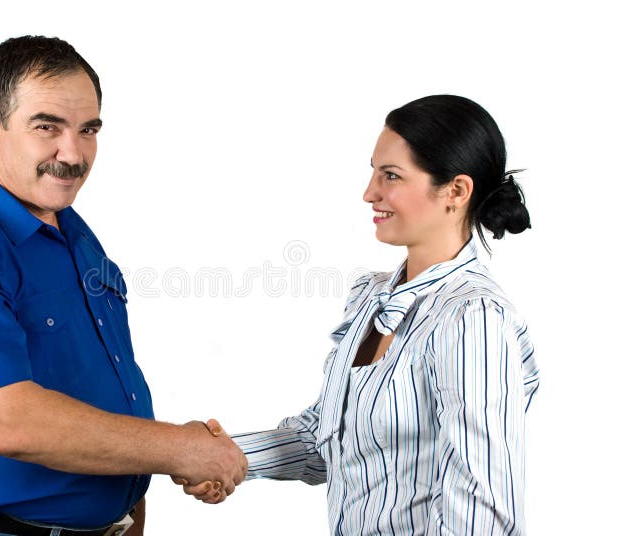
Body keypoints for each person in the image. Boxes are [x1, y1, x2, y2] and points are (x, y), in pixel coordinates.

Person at [0, 35, 247, 536]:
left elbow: (103, 386)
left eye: (88, 129)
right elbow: (11, 422)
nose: (73, 153)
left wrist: (127, 511)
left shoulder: (72, 231)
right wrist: (180, 449)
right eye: (47, 127)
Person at [180, 95, 540, 534]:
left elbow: (485, 512)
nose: (369, 193)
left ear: (456, 191)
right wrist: (222, 455)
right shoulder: (371, 296)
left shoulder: (472, 317)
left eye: (391, 175)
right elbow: (323, 441)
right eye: (373, 171)